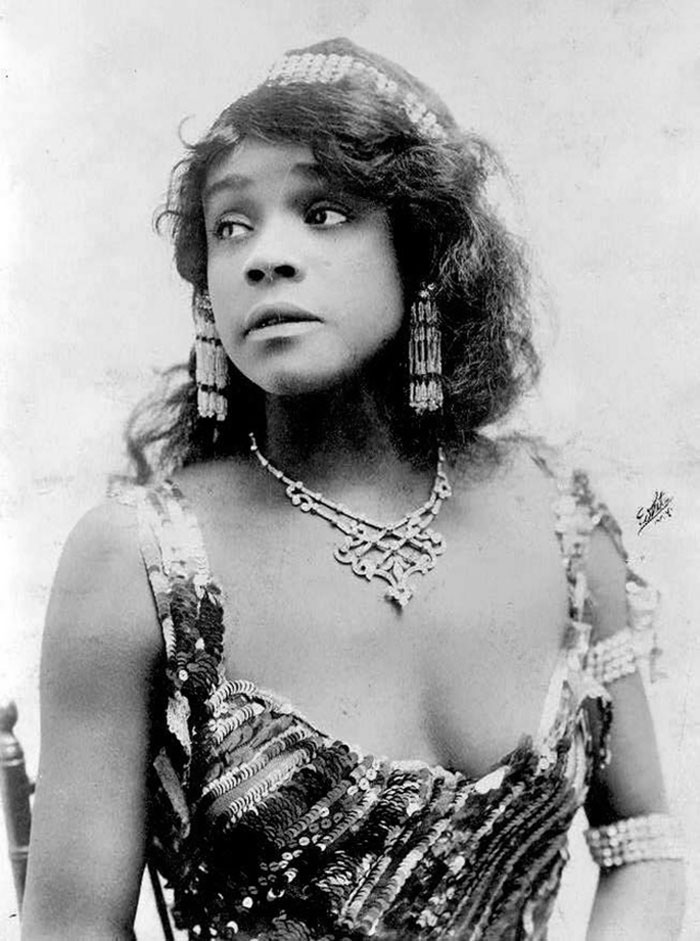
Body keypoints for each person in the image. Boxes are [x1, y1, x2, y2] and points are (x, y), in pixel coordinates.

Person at [22, 37, 685, 941]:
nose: (265, 256)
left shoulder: (564, 523)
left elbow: (642, 843)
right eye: (231, 224)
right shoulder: (138, 561)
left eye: (324, 211)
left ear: (422, 257)